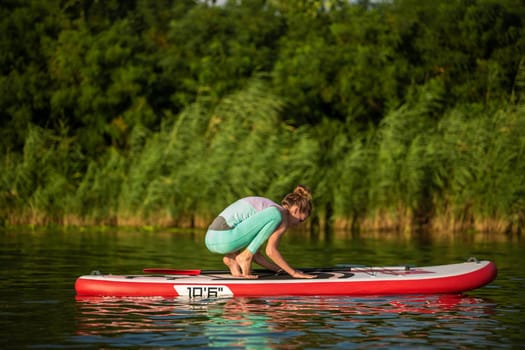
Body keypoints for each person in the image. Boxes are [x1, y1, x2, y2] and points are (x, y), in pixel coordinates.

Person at [205, 185, 317, 279]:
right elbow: (271, 251)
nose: (298, 224)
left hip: (212, 238)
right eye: (301, 220)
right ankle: (244, 257)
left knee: (252, 251)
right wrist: (294, 273)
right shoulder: (280, 214)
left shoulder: (266, 213)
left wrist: (281, 270)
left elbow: (256, 256)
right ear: (296, 210)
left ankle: (232, 258)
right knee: (275, 214)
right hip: (225, 237)